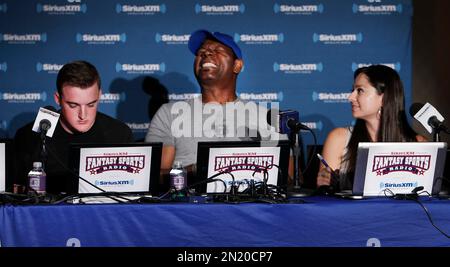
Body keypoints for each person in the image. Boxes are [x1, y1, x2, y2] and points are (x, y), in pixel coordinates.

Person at [145, 29, 289, 182]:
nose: (206, 54)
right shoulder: (169, 114)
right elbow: (154, 176)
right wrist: (196, 169)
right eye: (202, 52)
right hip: (190, 203)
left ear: (237, 66)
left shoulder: (270, 118)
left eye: (218, 50)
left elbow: (286, 178)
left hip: (249, 204)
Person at [14, 60, 134, 194]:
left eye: (91, 104)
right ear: (58, 99)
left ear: (100, 95)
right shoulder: (32, 137)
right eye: (73, 105)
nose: (83, 115)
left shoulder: (119, 134)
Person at [316, 64, 427, 191]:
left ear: (384, 98)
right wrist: (325, 184)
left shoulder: (418, 143)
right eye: (352, 90)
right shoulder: (339, 138)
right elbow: (326, 199)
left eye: (360, 90)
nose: (350, 97)